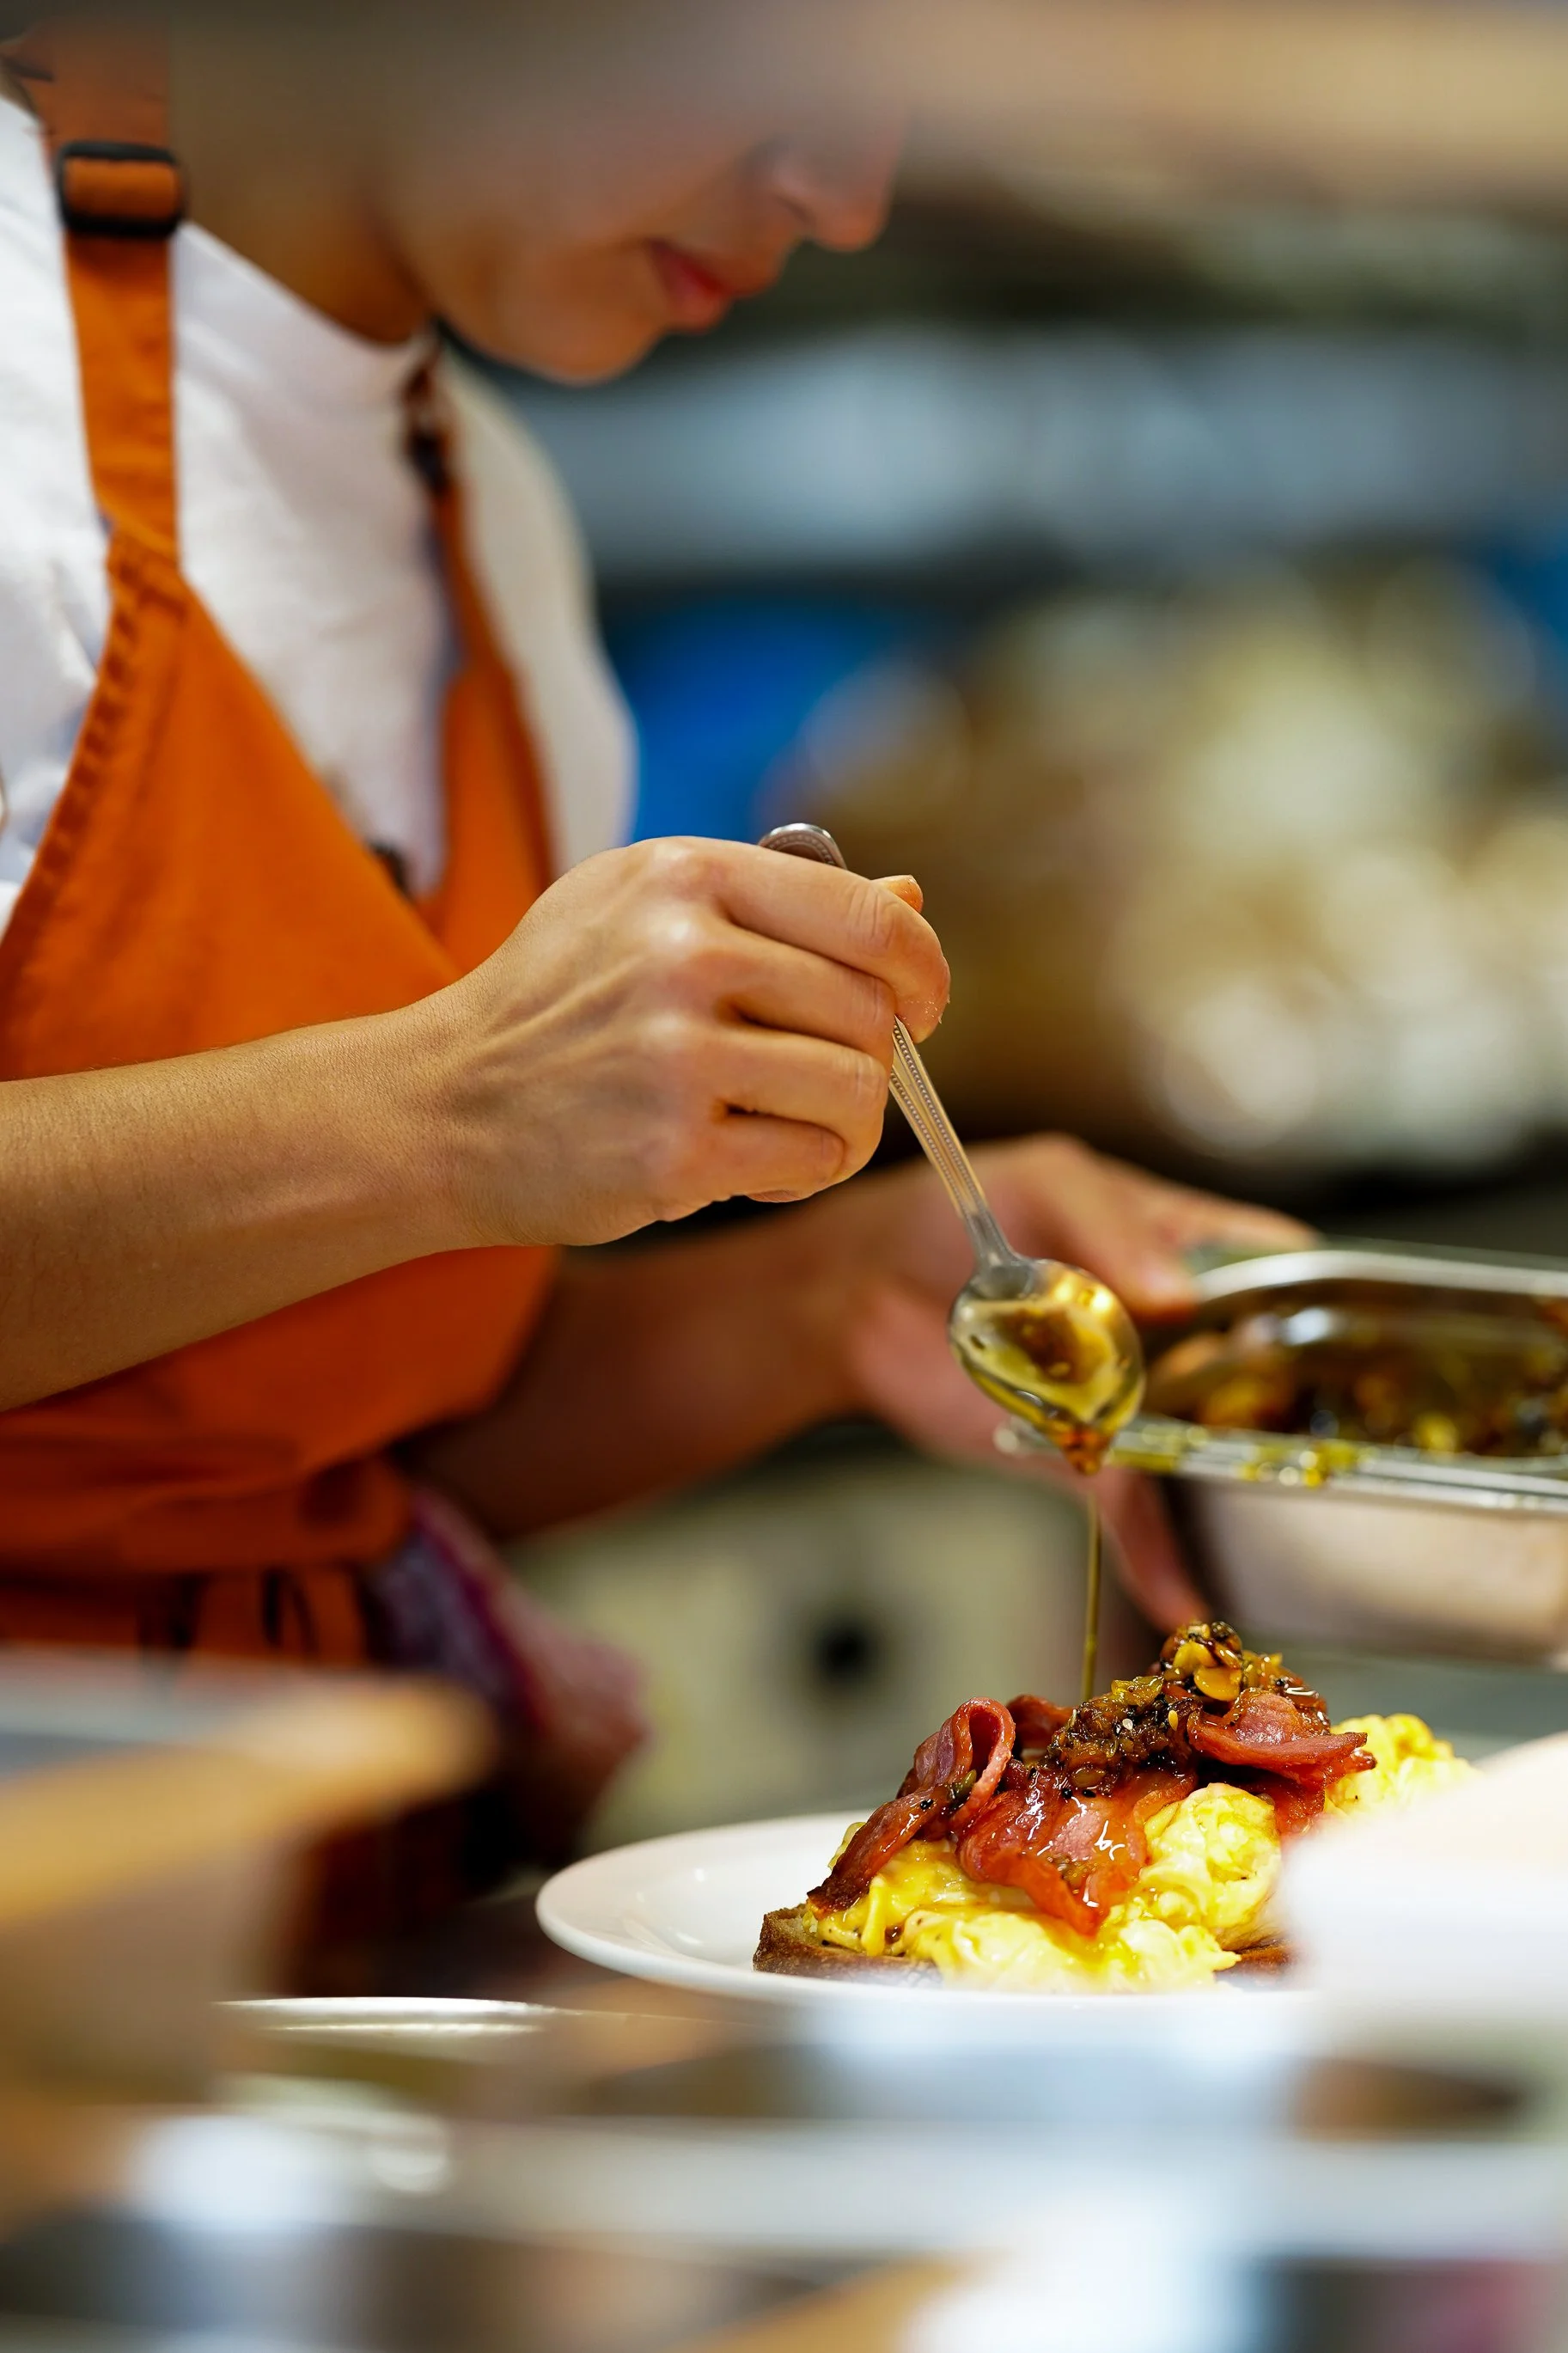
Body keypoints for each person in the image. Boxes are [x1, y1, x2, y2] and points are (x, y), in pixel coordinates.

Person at [0, 2, 1303, 1894]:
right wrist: (438, 1110)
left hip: (290, 1923)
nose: (841, 200)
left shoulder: (492, 530)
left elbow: (312, 1435)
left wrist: (834, 1296)